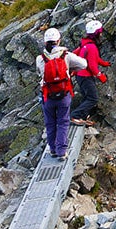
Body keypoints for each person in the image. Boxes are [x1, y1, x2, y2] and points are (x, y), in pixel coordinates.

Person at [36, 27, 87, 160]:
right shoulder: (66, 55)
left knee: (50, 122)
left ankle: (52, 149)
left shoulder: (40, 59)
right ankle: (61, 151)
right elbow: (84, 64)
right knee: (63, 121)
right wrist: (70, 69)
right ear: (58, 41)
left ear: (45, 42)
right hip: (64, 94)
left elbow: (39, 73)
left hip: (47, 95)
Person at [70, 19, 110, 126]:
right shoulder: (92, 47)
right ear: (96, 34)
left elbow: (95, 59)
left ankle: (82, 117)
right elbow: (92, 66)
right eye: (100, 32)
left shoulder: (85, 44)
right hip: (86, 77)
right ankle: (75, 116)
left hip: (80, 76)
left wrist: (105, 63)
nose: (101, 34)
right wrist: (101, 76)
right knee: (93, 98)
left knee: (86, 97)